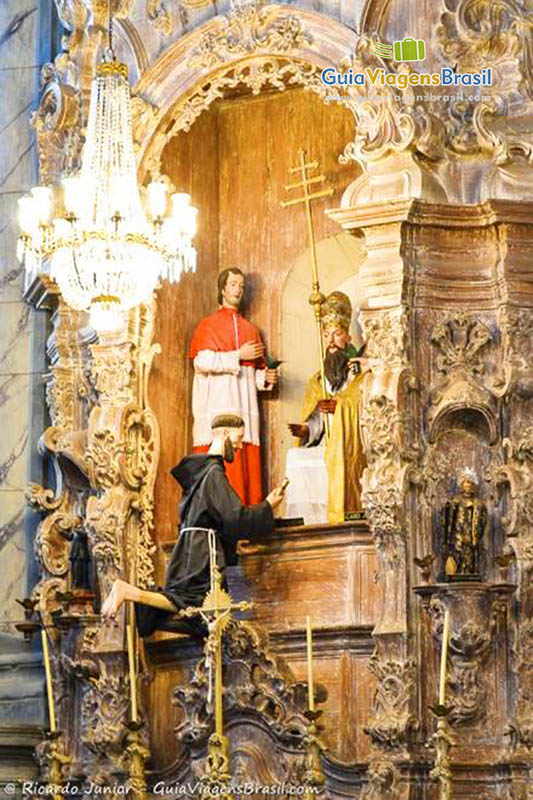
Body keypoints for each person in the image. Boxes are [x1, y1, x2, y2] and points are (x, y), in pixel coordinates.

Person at [101, 414, 286, 637]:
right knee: (199, 607)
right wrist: (268, 506)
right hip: (202, 554)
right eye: (238, 437)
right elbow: (234, 518)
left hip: (188, 549)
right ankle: (130, 592)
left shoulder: (199, 472)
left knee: (195, 615)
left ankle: (133, 595)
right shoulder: (213, 474)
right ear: (225, 433)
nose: (239, 445)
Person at [189, 268, 278, 505]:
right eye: (233, 284)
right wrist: (238, 354)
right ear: (222, 289)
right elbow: (202, 361)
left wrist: (263, 379)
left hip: (244, 408)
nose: (238, 289)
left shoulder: (251, 330)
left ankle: (247, 523)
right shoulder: (207, 326)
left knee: (246, 474)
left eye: (241, 285)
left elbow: (248, 375)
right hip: (218, 406)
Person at [285, 291, 366, 525]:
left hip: (347, 449)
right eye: (327, 335)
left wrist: (340, 407)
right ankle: (309, 523)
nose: (331, 341)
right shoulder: (317, 381)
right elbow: (314, 419)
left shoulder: (358, 376)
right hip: (322, 445)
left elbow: (361, 408)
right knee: (295, 457)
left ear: (348, 338)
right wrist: (306, 430)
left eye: (337, 334)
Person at [442, 469, 487, 578]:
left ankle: (470, 572)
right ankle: (458, 573)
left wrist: (477, 507)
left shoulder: (478, 502)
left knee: (470, 553)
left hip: (471, 533)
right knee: (458, 551)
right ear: (461, 485)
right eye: (466, 482)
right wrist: (449, 507)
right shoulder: (456, 500)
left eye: (470, 483)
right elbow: (448, 518)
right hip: (458, 531)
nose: (468, 485)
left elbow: (483, 519)